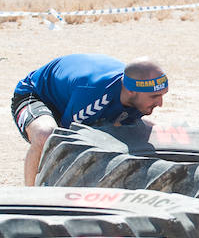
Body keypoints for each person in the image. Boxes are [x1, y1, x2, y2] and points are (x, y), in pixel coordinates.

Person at [12, 55, 168, 185]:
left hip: (73, 98)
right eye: (154, 96)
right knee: (46, 135)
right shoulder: (94, 95)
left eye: (162, 95)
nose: (160, 103)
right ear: (131, 91)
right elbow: (63, 140)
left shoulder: (131, 94)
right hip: (36, 95)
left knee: (151, 132)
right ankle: (31, 195)